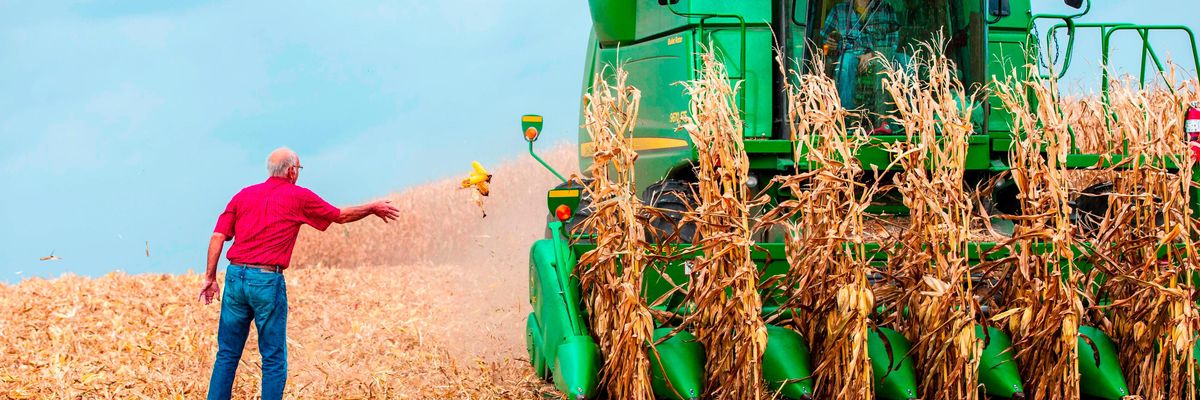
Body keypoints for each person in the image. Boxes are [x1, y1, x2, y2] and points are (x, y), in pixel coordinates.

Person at [198, 147, 400, 400]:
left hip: (235, 277)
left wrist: (209, 278)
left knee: (227, 354)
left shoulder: (243, 195)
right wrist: (371, 207)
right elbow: (339, 216)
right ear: (292, 171)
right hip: (266, 280)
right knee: (272, 357)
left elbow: (218, 236)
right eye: (299, 169)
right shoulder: (297, 197)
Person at [820, 0, 900, 127]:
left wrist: (873, 55)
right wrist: (830, 43)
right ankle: (845, 120)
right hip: (851, 55)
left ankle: (895, 121)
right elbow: (824, 38)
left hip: (879, 55)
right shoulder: (839, 10)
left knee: (905, 61)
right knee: (845, 64)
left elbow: (892, 42)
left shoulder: (886, 9)